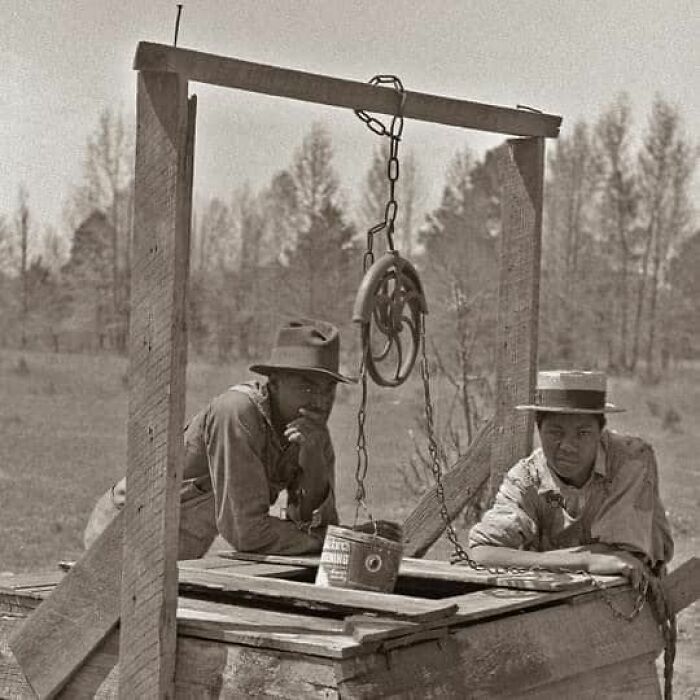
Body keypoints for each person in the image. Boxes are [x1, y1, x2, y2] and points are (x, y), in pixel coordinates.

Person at [84, 318, 399, 559]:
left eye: (328, 388)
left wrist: (314, 459)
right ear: (273, 383)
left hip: (179, 548)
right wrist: (335, 540)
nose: (320, 399)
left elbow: (316, 523)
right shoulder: (237, 413)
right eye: (306, 384)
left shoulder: (312, 432)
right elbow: (246, 532)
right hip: (124, 536)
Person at [468, 370, 674, 585]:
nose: (567, 446)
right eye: (555, 433)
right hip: (553, 596)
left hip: (629, 595)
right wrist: (586, 560)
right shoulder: (527, 477)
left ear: (600, 431)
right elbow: (482, 552)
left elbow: (620, 555)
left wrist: (524, 559)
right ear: (539, 429)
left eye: (582, 433)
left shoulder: (631, 459)